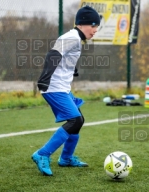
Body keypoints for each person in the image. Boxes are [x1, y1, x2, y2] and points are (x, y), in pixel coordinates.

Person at [31, 6, 100, 176]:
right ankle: (42, 154)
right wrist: (44, 79)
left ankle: (66, 158)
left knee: (79, 120)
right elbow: (53, 55)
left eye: (97, 26)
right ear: (82, 24)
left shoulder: (75, 38)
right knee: (75, 121)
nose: (95, 30)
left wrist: (72, 68)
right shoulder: (72, 37)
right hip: (54, 88)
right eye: (93, 25)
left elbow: (62, 56)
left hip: (61, 87)